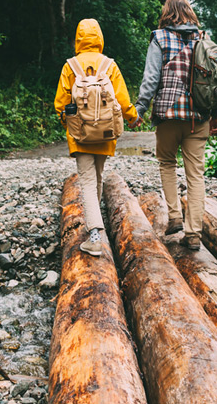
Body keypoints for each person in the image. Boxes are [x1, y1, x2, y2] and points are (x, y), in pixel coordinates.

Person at [135, 0, 217, 250]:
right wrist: (216, 114)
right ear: (190, 13)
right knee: (196, 175)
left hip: (168, 116)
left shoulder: (159, 38)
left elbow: (151, 78)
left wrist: (140, 108)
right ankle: (194, 233)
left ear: (167, 13)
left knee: (167, 163)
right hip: (199, 117)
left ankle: (174, 217)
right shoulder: (204, 39)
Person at [55, 18, 141, 256]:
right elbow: (123, 100)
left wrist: (69, 122)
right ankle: (96, 224)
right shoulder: (109, 64)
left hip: (80, 135)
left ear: (78, 39)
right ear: (100, 38)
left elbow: (59, 104)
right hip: (105, 133)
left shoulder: (70, 66)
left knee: (87, 181)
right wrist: (133, 117)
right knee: (98, 176)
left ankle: (94, 235)